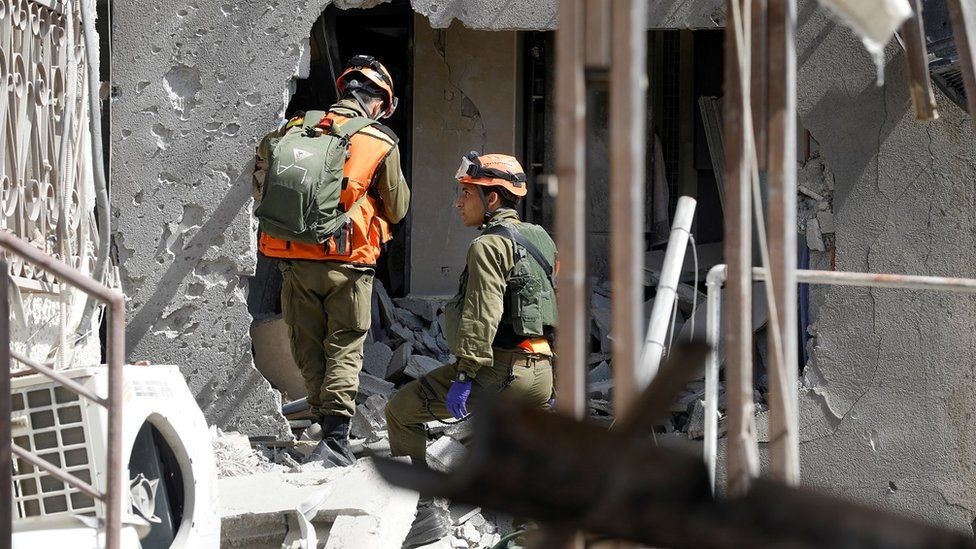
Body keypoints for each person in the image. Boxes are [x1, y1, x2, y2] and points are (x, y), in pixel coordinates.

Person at [385, 152, 557, 547]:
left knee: (401, 412)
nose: (458, 201)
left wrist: (464, 376)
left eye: (466, 193)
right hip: (540, 369)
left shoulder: (487, 247)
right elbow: (548, 308)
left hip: (498, 370)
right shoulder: (542, 240)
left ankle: (424, 514)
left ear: (492, 199)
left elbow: (482, 314)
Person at [259, 55, 410, 467]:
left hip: (293, 258)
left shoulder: (297, 129)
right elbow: (397, 208)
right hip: (347, 262)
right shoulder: (379, 140)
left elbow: (265, 182)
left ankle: (324, 430)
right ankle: (337, 443)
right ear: (378, 103)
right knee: (343, 345)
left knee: (308, 347)